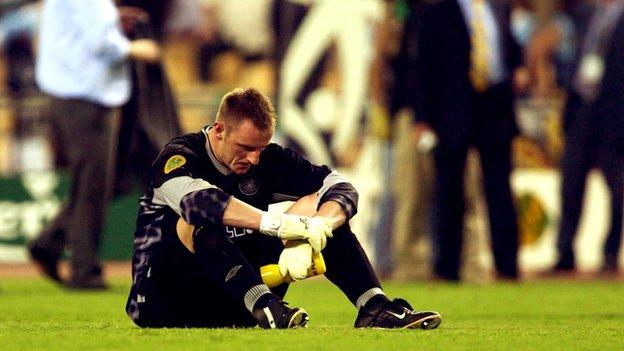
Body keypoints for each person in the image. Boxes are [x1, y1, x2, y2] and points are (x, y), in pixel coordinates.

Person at [125, 87, 442, 329]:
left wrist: (314, 230)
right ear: (219, 130)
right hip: (163, 300)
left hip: (233, 297)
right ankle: (264, 304)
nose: (253, 159)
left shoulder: (267, 158)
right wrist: (280, 226)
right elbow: (198, 203)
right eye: (245, 148)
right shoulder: (178, 156)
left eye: (260, 149)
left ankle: (374, 306)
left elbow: (340, 186)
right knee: (198, 222)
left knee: (318, 208)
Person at [27, 0, 160, 289]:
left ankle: (49, 242)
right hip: (86, 97)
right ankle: (83, 270)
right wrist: (137, 49)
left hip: (75, 93)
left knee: (100, 181)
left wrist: (114, 19)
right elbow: (102, 42)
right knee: (95, 184)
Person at [413, 0, 527, 281]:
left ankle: (507, 267)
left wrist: (519, 67)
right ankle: (447, 268)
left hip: (495, 106)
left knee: (499, 189)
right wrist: (423, 117)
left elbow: (507, 45)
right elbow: (422, 65)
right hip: (452, 110)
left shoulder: (499, 6)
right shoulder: (436, 10)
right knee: (449, 191)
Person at [550, 0, 624, 274]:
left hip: (614, 118)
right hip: (582, 111)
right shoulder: (586, 15)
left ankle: (610, 255)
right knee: (570, 186)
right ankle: (564, 253)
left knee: (617, 191)